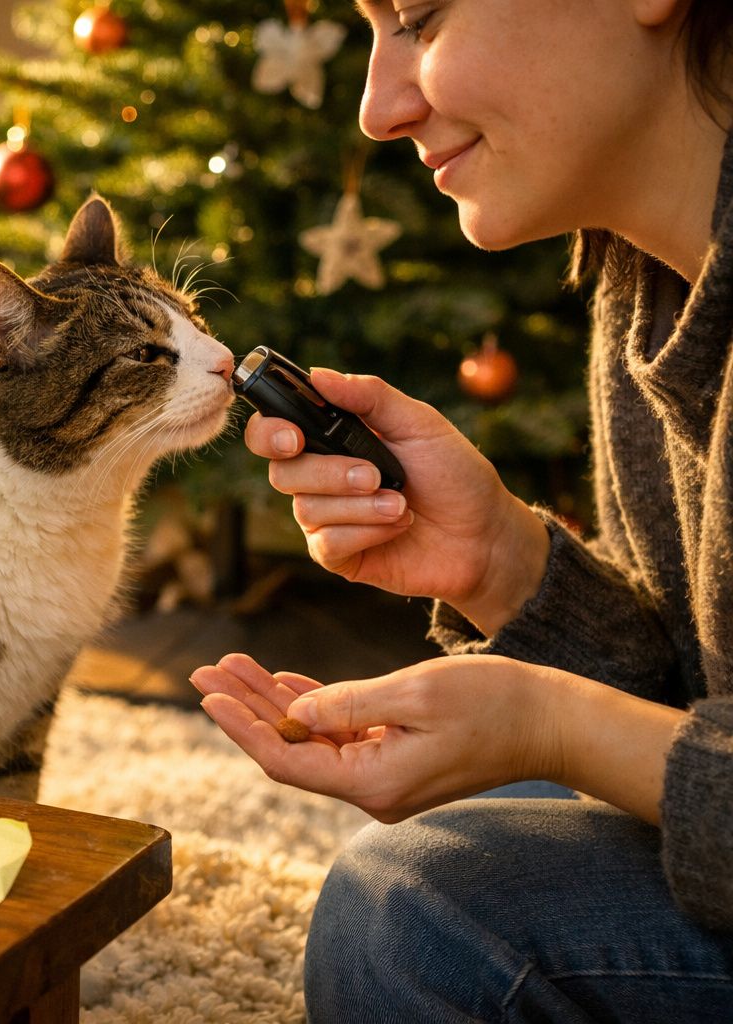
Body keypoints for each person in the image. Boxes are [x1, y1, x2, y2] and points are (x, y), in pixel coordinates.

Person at [188, 0, 733, 1019]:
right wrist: (501, 563)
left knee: (417, 910)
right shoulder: (647, 281)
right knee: (492, 814)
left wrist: (552, 724)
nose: (377, 109)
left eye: (420, 19)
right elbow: (697, 708)